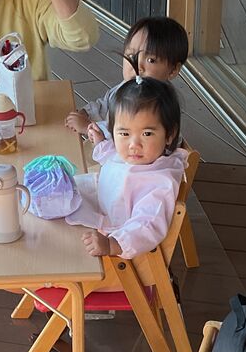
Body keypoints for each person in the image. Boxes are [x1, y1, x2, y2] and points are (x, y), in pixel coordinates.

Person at [64, 68, 188, 259]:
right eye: (124, 133)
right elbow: (116, 161)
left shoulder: (160, 183)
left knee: (57, 230)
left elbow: (147, 225)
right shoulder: (141, 156)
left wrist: (113, 244)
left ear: (169, 135)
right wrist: (101, 143)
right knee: (58, 195)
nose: (133, 144)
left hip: (116, 236)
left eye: (147, 133)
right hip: (103, 202)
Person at [64, 16, 189, 135]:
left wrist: (88, 128)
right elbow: (105, 104)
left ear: (173, 70)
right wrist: (87, 113)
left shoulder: (156, 105)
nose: (138, 66)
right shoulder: (126, 87)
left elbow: (126, 138)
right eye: (131, 56)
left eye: (151, 60)